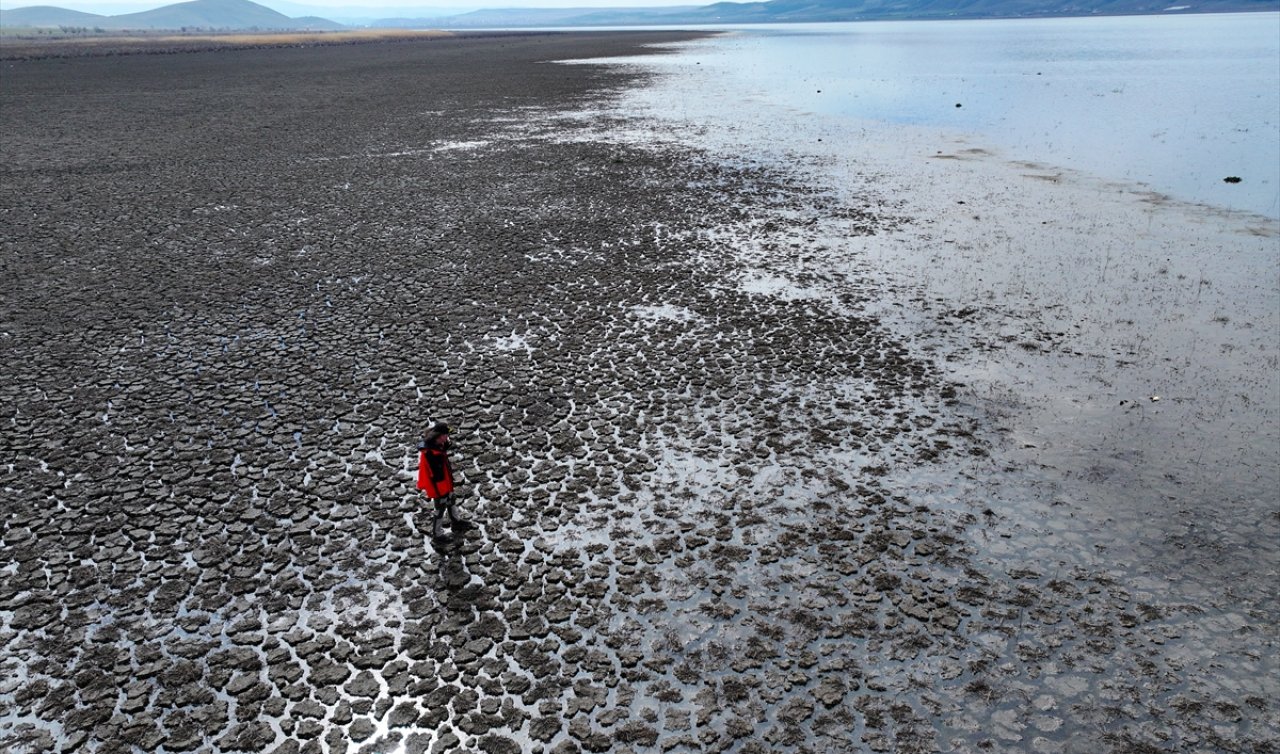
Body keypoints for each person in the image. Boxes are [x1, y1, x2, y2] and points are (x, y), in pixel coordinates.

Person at [418, 422, 472, 541]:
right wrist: (441, 492)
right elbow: (434, 476)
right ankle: (437, 534)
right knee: (440, 508)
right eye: (446, 435)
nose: (447, 438)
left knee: (451, 500)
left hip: (446, 482)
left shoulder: (437, 446)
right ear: (439, 436)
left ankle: (456, 522)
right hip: (439, 486)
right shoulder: (430, 453)